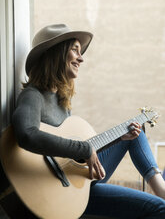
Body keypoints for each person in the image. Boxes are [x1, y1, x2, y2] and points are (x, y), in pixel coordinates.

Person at [12, 24, 165, 219]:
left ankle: (161, 189)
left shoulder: (61, 101)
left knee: (134, 132)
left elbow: (70, 159)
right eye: (74, 50)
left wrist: (119, 139)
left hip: (80, 177)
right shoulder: (33, 95)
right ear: (56, 54)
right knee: (160, 209)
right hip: (66, 191)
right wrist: (84, 149)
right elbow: (26, 135)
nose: (81, 58)